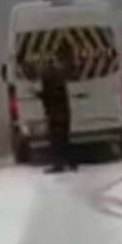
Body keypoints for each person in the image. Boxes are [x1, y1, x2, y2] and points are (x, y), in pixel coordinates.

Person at [39, 38, 77, 173]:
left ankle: (59, 164)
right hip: (63, 111)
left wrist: (42, 95)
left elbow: (51, 96)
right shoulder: (61, 73)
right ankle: (71, 163)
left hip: (56, 113)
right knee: (64, 138)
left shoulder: (52, 77)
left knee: (57, 139)